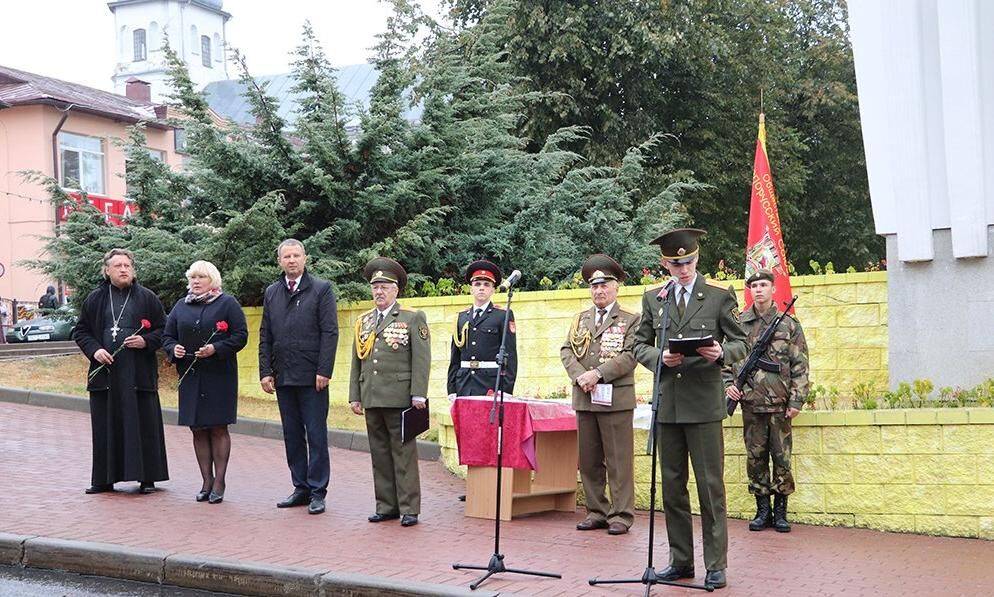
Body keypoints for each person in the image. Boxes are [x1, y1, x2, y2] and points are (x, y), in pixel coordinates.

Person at [633, 228, 747, 590]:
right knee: (672, 488)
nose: (683, 269)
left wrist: (721, 354)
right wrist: (659, 357)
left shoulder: (716, 297)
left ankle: (716, 564)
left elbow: (741, 341)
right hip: (668, 406)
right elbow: (638, 344)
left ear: (698, 259)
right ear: (665, 263)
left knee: (710, 488)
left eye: (689, 261)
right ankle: (680, 561)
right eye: (676, 263)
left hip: (704, 404)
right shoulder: (655, 299)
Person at [71, 248, 169, 494]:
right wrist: (95, 351)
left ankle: (147, 478)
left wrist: (145, 341)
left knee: (143, 424)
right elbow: (81, 331)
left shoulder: (147, 298)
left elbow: (163, 330)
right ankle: (104, 479)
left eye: (127, 265)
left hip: (138, 375)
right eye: (118, 266)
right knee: (106, 425)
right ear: (107, 270)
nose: (124, 269)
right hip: (106, 376)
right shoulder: (95, 299)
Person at [723, 269, 809, 532]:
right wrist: (728, 386)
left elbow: (800, 365)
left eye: (763, 285)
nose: (758, 289)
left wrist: (796, 401)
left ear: (773, 289)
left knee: (781, 458)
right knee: (755, 457)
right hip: (750, 403)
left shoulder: (788, 324)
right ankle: (762, 510)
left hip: (780, 405)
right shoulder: (739, 323)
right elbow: (725, 359)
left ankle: (781, 511)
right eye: (754, 286)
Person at [561, 254, 640, 536]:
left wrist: (598, 374)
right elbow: (566, 351)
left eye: (605, 285)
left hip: (615, 399)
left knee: (618, 461)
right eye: (594, 286)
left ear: (616, 287)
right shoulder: (579, 320)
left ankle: (621, 514)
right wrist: (580, 375)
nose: (599, 291)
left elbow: (632, 355)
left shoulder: (631, 319)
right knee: (589, 459)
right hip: (585, 397)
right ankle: (596, 511)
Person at [258, 239, 339, 515]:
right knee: (292, 435)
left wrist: (324, 370)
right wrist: (265, 371)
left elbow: (330, 332)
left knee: (316, 434)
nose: (291, 260)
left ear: (305, 258)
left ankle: (318, 491)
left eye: (296, 255)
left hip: (311, 376)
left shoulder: (321, 289)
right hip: (283, 376)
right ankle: (300, 487)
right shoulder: (271, 292)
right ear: (279, 261)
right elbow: (265, 334)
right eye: (286, 256)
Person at [349, 257, 430, 527]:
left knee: (404, 453)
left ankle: (409, 508)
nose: (379, 292)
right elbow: (357, 361)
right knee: (379, 452)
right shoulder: (365, 321)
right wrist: (355, 395)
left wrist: (419, 394)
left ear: (396, 290)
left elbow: (421, 359)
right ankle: (386, 505)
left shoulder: (411, 317)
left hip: (399, 397)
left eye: (385, 287)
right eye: (375, 287)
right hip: (372, 395)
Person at [162, 260, 248, 504]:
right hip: (190, 377)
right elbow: (167, 336)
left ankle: (219, 481)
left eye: (201, 277)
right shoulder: (181, 306)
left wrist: (216, 348)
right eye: (192, 278)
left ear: (213, 281)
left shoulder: (227, 303)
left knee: (218, 427)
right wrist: (172, 348)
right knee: (197, 428)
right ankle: (206, 481)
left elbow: (240, 336)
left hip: (219, 376)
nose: (196, 282)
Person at [447, 259, 517, 399]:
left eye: (487, 284)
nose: (481, 288)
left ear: (492, 289)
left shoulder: (502, 315)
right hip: (464, 383)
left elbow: (510, 354)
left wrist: (507, 389)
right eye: (477, 284)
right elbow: (455, 358)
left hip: (490, 385)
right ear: (471, 288)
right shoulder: (461, 317)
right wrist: (452, 388)